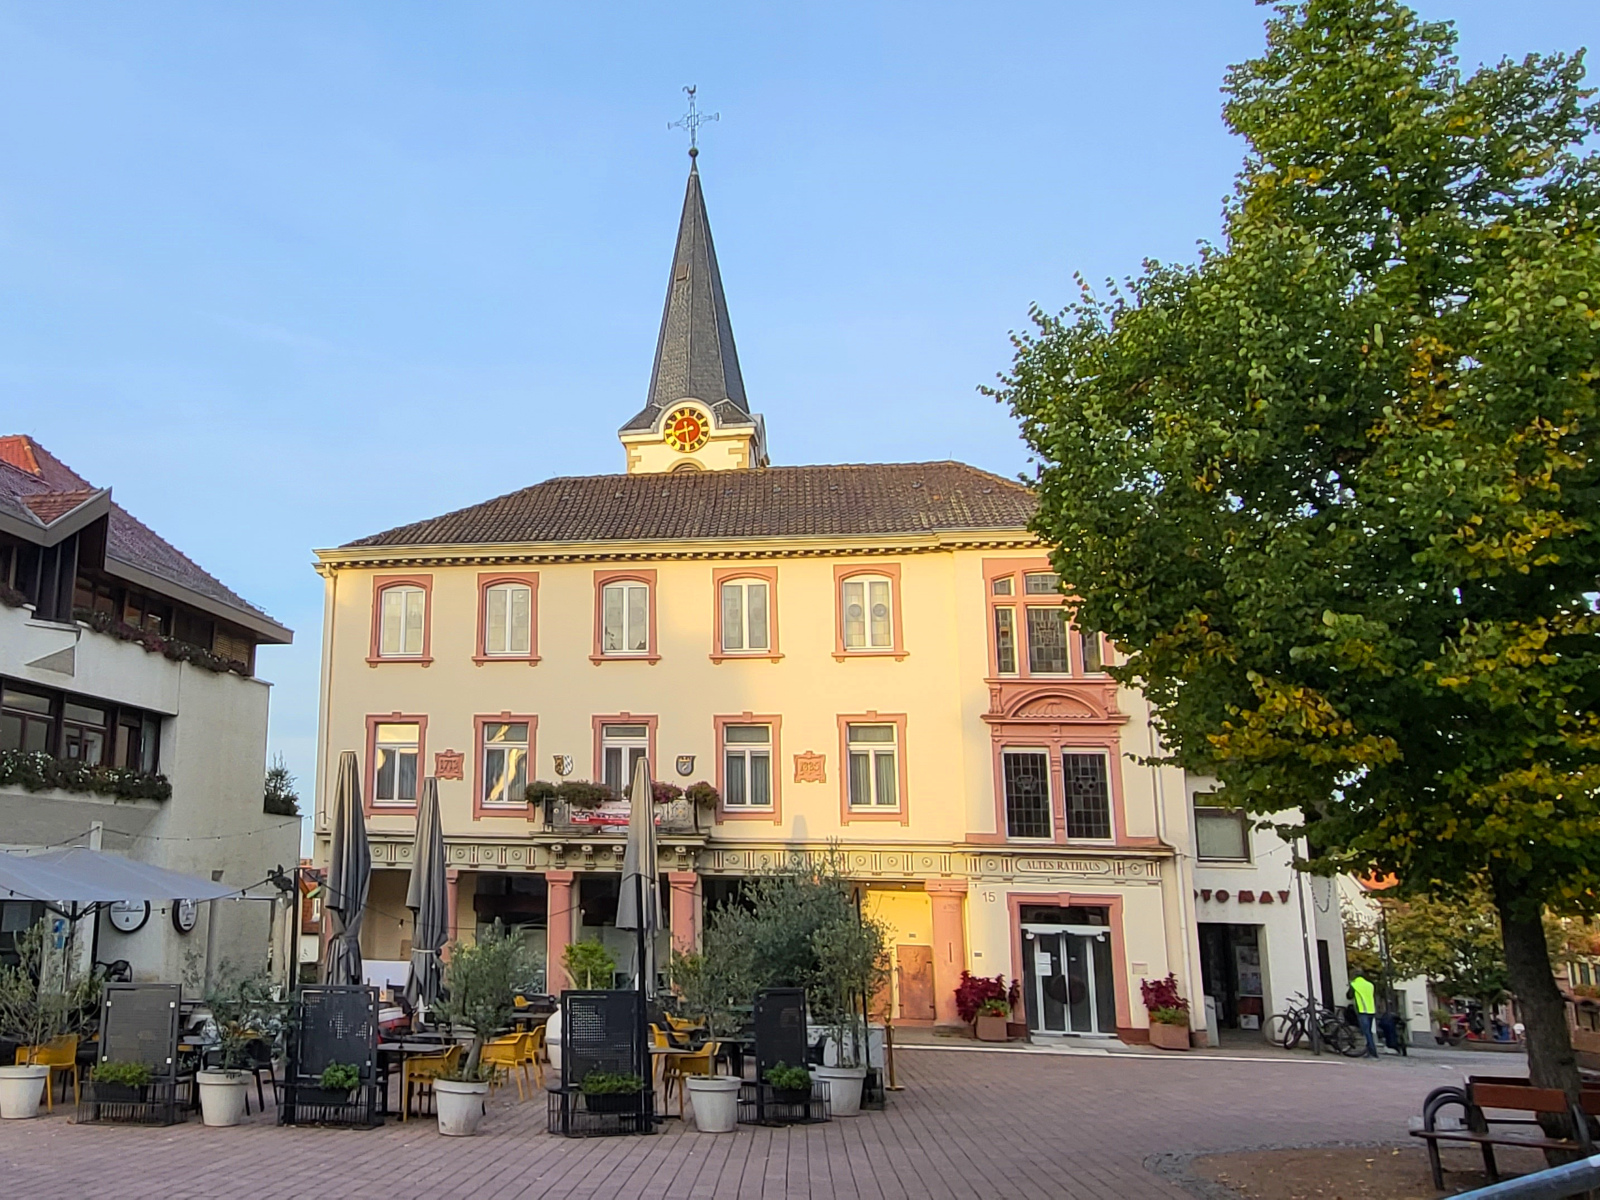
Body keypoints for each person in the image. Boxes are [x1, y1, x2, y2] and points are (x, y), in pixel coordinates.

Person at [1349, 972, 1378, 1058]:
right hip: (1371, 1010)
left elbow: (1349, 995)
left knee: (1366, 1032)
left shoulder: (1354, 985)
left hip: (1362, 1011)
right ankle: (1369, 1051)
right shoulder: (1370, 985)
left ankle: (1373, 1052)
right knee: (1369, 1031)